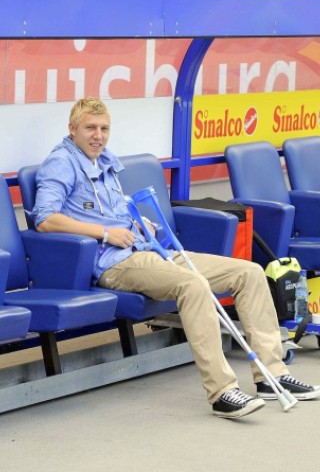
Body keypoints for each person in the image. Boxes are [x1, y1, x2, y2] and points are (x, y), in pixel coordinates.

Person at [31, 97, 320, 419]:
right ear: (72, 129)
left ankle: (273, 375)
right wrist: (104, 232)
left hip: (150, 250)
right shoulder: (61, 162)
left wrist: (139, 223)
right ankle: (222, 391)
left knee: (249, 272)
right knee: (193, 285)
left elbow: (113, 210)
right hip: (114, 262)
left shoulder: (106, 161)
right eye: (90, 128)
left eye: (103, 128)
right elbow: (45, 219)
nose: (98, 135)